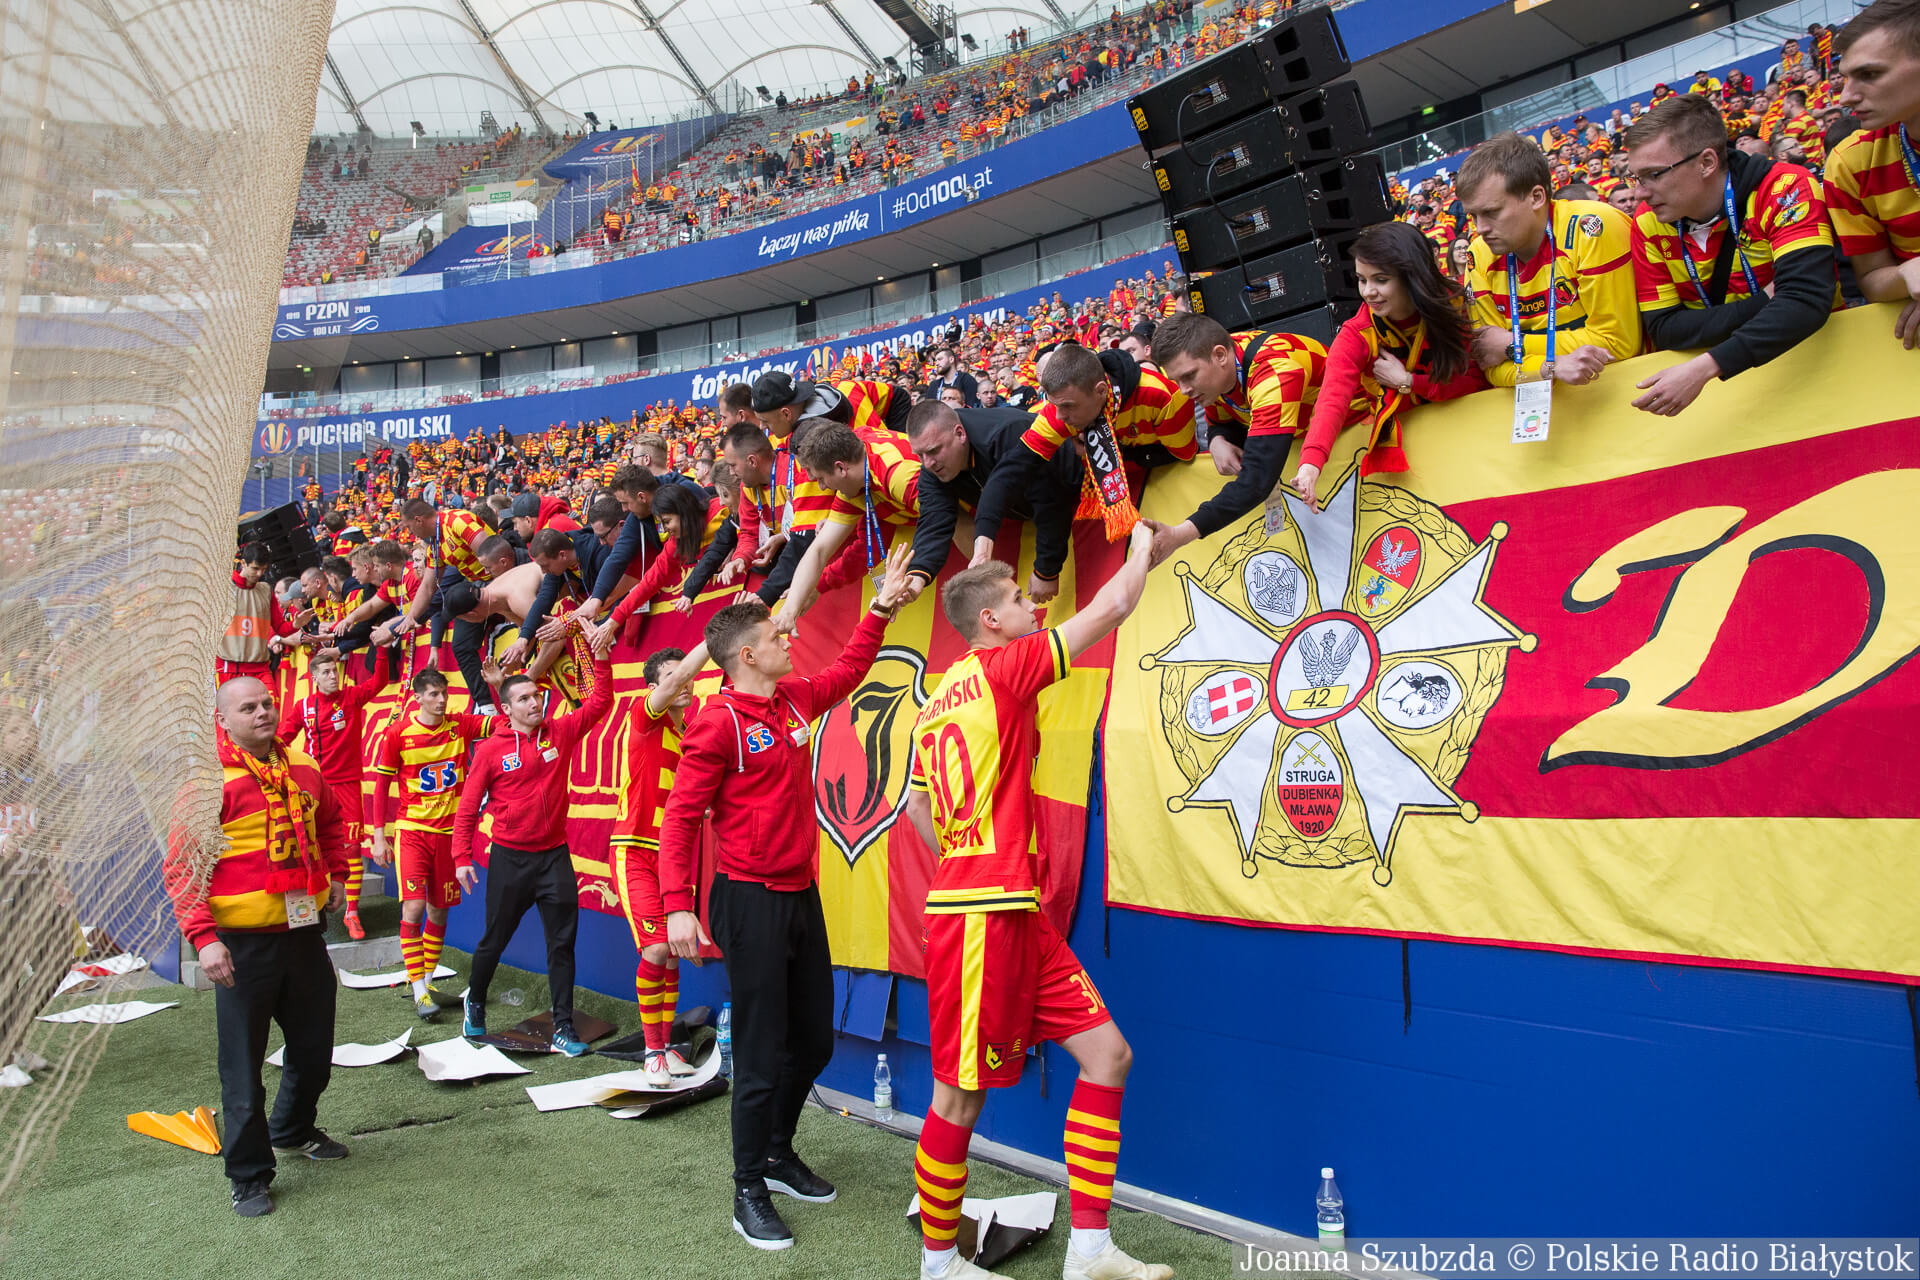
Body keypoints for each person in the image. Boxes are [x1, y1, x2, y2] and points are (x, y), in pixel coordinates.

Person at [901, 526, 1166, 1280]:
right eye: (1021, 599)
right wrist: (1141, 549)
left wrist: (966, 857)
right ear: (991, 620)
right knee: (957, 1099)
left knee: (1108, 1056)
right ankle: (939, 1267)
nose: (1033, 607)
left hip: (1009, 908)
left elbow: (915, 809)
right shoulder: (1005, 668)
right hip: (981, 918)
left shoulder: (936, 700)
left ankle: (1091, 1252)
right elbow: (1111, 607)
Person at [656, 544, 918, 1252]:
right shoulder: (717, 723)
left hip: (800, 894)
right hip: (748, 901)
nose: (789, 637)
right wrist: (676, 903)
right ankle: (747, 1188)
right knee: (763, 1051)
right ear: (746, 655)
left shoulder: (791, 700)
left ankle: (776, 1150)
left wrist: (880, 608)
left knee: (813, 1042)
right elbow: (680, 818)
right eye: (776, 635)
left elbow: (848, 670)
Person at [164, 677, 352, 1218]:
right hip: (240, 946)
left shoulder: (305, 767)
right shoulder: (207, 784)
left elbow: (331, 824)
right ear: (222, 721)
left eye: (267, 703)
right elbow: (182, 868)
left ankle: (291, 1129)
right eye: (248, 708)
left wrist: (339, 875)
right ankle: (248, 1176)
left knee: (314, 1050)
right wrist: (204, 940)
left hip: (304, 934)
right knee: (243, 1069)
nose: (263, 713)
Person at [1623, 95, 1839, 415]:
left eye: (1653, 175)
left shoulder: (1786, 187)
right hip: (1731, 399)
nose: (1639, 192)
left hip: (1823, 371)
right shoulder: (1646, 220)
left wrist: (1707, 366)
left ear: (1706, 163)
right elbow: (1665, 328)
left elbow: (1806, 302)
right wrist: (1765, 303)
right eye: (1635, 178)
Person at [452, 649, 615, 1056]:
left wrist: (601, 658)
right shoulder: (490, 750)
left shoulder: (560, 732)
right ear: (507, 709)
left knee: (561, 945)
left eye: (537, 695)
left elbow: (600, 702)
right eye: (524, 698)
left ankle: (564, 1027)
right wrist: (460, 858)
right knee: (494, 940)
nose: (535, 702)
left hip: (554, 857)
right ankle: (475, 1000)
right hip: (510, 859)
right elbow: (468, 807)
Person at [1291, 222, 1486, 510]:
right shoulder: (1357, 332)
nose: (1368, 292)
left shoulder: (1456, 305)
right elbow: (1332, 399)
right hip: (1414, 463)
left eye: (1381, 280)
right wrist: (1310, 464)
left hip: (1470, 439)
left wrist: (1408, 382)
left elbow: (1476, 382)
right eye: (1361, 280)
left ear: (1412, 276)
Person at [1144, 313, 1334, 567]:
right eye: (1176, 380)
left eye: (1189, 376)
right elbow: (1223, 418)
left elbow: (1257, 480)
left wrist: (1180, 535)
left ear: (1220, 355)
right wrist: (1217, 439)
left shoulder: (1273, 371)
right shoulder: (1219, 367)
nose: (1184, 390)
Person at [1457, 131, 1642, 388]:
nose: (1481, 228)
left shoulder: (1592, 227)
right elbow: (1491, 364)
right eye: (1473, 216)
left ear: (1536, 197)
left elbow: (1617, 343)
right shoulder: (1477, 254)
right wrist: (1550, 367)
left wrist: (1513, 345)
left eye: (1492, 212)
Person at [610, 644, 709, 1085]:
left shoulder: (692, 734)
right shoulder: (644, 717)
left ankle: (666, 1049)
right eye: (674, 674)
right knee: (655, 949)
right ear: (654, 687)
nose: (684, 681)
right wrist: (713, 638)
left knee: (671, 955)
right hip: (635, 849)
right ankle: (652, 1052)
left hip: (674, 855)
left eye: (687, 673)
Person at [903, 399, 1080, 607]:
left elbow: (1050, 500)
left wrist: (1046, 570)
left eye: (934, 451)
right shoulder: (931, 468)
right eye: (920, 455)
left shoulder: (1005, 434)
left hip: (1081, 496)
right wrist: (916, 578)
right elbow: (934, 521)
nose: (928, 463)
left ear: (960, 433)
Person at [1025, 344, 1196, 550]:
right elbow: (1021, 459)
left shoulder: (1158, 394)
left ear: (1101, 391)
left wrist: (1119, 451)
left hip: (1172, 499)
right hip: (1113, 526)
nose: (1060, 415)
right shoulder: (1058, 407)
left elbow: (1184, 453)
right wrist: (1068, 448)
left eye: (1068, 406)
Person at [275, 648, 390, 941]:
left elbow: (379, 681)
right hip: (315, 786)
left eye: (334, 671)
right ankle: (304, 909)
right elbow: (282, 739)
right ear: (314, 677)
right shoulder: (304, 707)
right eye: (325, 672)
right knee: (305, 844)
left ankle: (352, 912)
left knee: (351, 849)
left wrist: (382, 649)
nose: (332, 676)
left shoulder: (351, 697)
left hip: (348, 786)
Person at [1827, 0, 1920, 348]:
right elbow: (1871, 279)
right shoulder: (1850, 162)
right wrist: (1905, 275)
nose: (1845, 97)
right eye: (1845, 78)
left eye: (1869, 74)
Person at [772, 421, 921, 633]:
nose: (822, 487)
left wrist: (919, 575)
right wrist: (788, 611)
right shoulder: (854, 479)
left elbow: (949, 515)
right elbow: (819, 550)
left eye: (821, 479)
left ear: (841, 468)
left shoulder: (895, 474)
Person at [218, 543, 300, 685]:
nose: (259, 574)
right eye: (255, 568)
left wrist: (296, 624)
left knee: (271, 701)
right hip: (228, 668)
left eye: (263, 569)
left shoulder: (266, 590)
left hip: (261, 668)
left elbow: (280, 628)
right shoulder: (221, 588)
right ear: (243, 564)